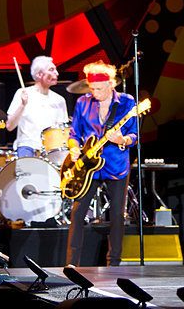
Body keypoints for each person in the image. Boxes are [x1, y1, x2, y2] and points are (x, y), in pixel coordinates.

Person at [65, 61, 137, 267]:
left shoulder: (126, 103)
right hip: (89, 166)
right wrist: (73, 148)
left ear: (111, 84)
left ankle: (114, 263)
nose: (94, 92)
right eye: (92, 88)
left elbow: (135, 135)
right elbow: (74, 133)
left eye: (99, 88)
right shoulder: (83, 103)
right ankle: (71, 264)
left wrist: (121, 140)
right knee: (77, 213)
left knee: (116, 215)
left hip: (116, 164)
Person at [6, 56, 69, 158]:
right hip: (27, 147)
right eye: (51, 70)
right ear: (39, 74)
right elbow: (9, 126)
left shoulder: (59, 100)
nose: (57, 73)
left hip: (51, 150)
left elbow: (62, 132)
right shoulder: (22, 93)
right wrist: (22, 105)